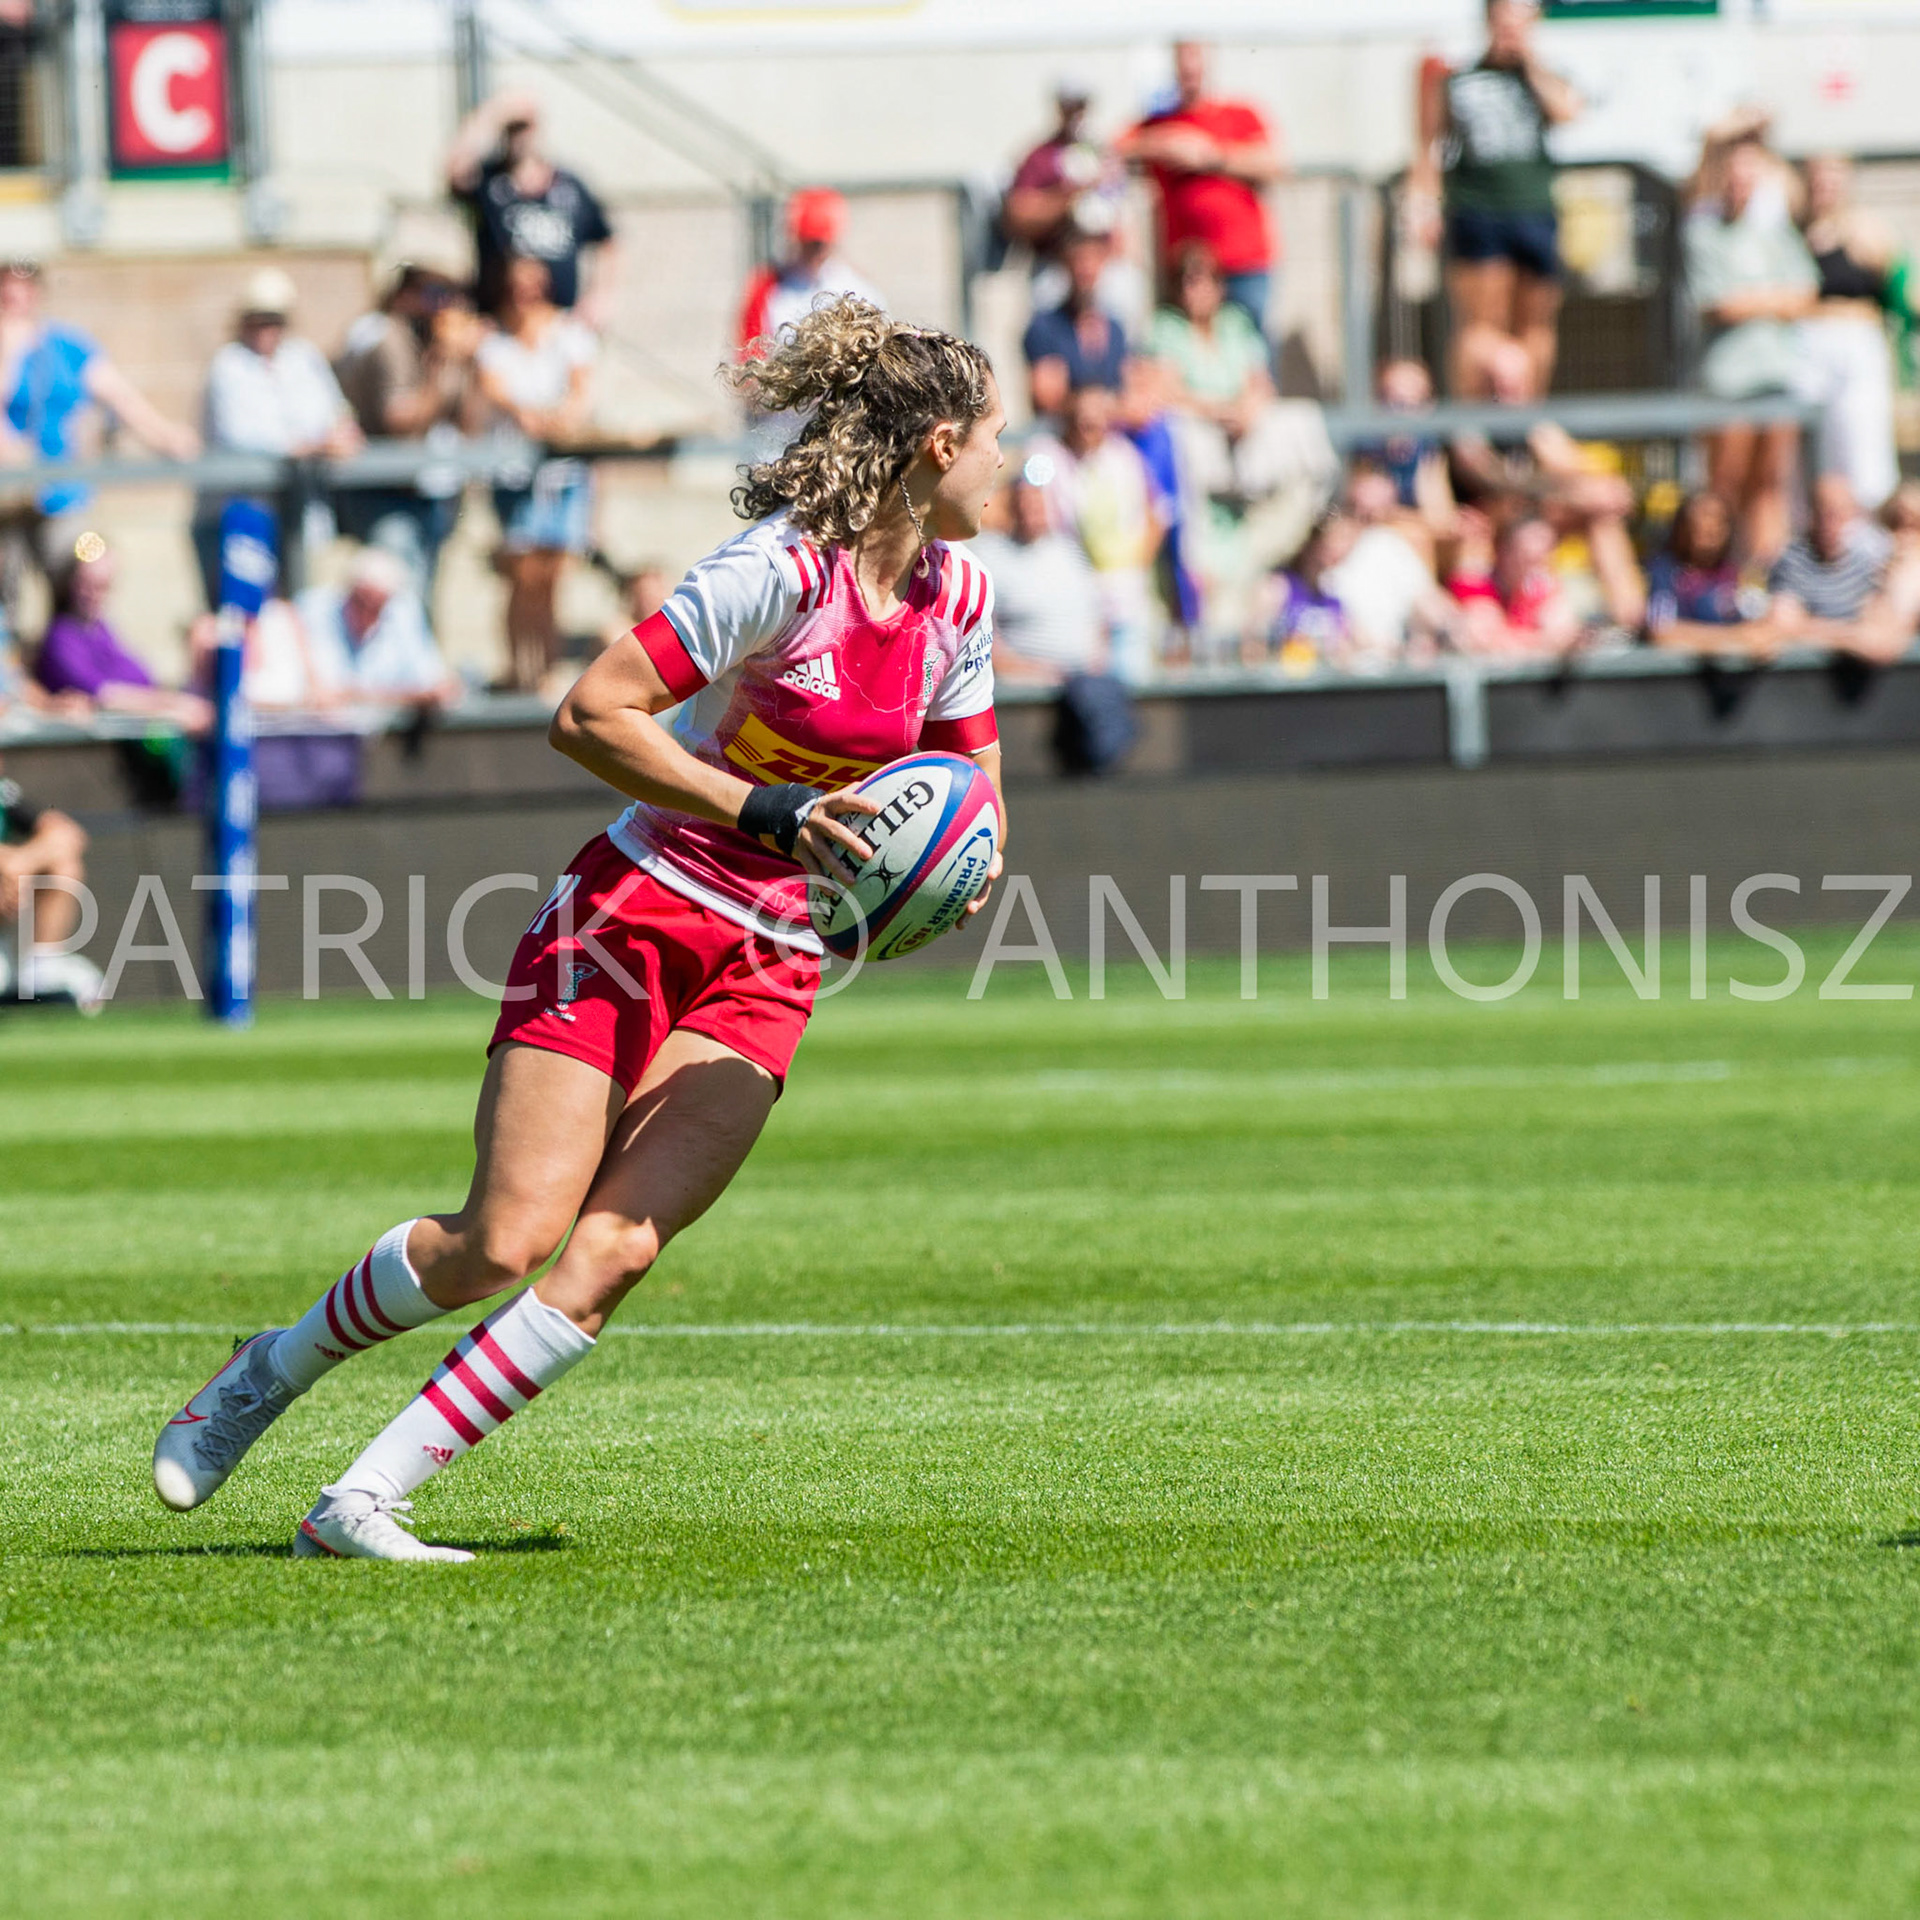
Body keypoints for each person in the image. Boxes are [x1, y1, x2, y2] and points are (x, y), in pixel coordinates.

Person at [151, 296, 1009, 1561]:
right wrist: (767, 808)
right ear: (940, 444)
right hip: (637, 909)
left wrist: (958, 880)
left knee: (614, 1253)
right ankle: (263, 1370)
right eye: (1002, 439)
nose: (1014, 465)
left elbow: (973, 794)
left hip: (774, 959)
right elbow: (592, 713)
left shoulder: (962, 601)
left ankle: (360, 1504)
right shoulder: (783, 572)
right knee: (501, 1237)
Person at [0, 257, 199, 630]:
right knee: (6, 598)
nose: (15, 302)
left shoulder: (66, 346)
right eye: (7, 294)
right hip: (7, 505)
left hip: (64, 499)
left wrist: (165, 435)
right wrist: (8, 351)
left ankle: (75, 664)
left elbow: (120, 397)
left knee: (90, 563)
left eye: (22, 292)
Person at [1410, 0, 1581, 402]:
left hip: (1535, 210)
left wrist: (1529, 65)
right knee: (1481, 325)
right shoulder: (1459, 79)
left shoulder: (1543, 78)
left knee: (1535, 327)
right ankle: (1474, 432)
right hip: (1477, 211)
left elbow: (1568, 112)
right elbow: (1428, 148)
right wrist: (1423, 206)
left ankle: (1527, 424)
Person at [1685, 133, 1819, 567]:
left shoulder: (1773, 230)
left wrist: (1755, 300)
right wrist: (1775, 299)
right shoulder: (1702, 231)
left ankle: (1766, 571)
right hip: (1729, 379)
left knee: (1771, 482)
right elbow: (1719, 304)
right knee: (1726, 482)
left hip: (1775, 372)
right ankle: (1723, 571)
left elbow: (1806, 292)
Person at [194, 268, 363, 608]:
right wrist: (314, 445)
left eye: (274, 320)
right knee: (241, 614)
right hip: (239, 515)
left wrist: (343, 433)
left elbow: (336, 413)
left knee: (299, 610)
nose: (266, 329)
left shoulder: (303, 359)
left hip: (297, 510)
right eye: (258, 319)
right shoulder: (228, 365)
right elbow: (240, 436)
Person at [478, 253, 597, 692]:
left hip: (561, 472)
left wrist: (553, 419)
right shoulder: (495, 341)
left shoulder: (567, 335)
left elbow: (580, 393)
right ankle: (517, 667)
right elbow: (495, 391)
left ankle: (543, 668)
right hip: (515, 472)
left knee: (550, 576)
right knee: (521, 575)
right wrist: (536, 416)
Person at [333, 264, 487, 596]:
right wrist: (439, 369)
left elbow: (469, 426)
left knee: (424, 596)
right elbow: (400, 421)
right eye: (434, 295)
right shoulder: (388, 338)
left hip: (431, 494)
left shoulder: (440, 345)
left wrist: (473, 364)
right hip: (384, 493)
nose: (443, 306)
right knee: (399, 597)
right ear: (405, 297)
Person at [1116, 41, 1285, 332]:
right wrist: (1166, 144)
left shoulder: (1239, 113)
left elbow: (1273, 164)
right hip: (1188, 272)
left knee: (1251, 356)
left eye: (1195, 55)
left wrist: (1211, 156)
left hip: (1243, 265)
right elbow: (1115, 147)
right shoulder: (1161, 123)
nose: (1189, 66)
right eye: (1183, 56)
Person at [448, 91, 620, 330]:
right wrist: (492, 113)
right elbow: (454, 169)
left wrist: (599, 295)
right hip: (502, 324)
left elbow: (607, 240)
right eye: (512, 129)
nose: (519, 137)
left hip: (559, 322)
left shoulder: (569, 186)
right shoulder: (488, 182)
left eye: (524, 128)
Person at [1028, 382, 1165, 683]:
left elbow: (1158, 514)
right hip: (1073, 602)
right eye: (1082, 418)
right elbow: (1028, 499)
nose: (1089, 426)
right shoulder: (1045, 456)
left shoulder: (1125, 457)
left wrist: (1136, 566)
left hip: (1125, 601)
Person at [1797, 153, 1900, 513]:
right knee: (1815, 447)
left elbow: (1894, 289)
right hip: (1807, 343)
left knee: (1864, 443)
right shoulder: (1797, 230)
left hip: (1855, 342)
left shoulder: (1867, 230)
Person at [35, 531, 212, 732]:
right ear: (71, 584)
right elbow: (103, 695)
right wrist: (174, 708)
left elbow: (141, 678)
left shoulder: (102, 631)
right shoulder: (61, 639)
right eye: (86, 584)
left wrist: (177, 703)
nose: (94, 594)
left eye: (103, 586)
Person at [1002, 77, 1133, 319]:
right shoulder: (1039, 157)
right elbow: (1018, 214)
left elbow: (1119, 210)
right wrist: (1070, 194)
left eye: (1080, 105)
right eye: (1070, 105)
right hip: (1055, 269)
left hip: (1103, 269)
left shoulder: (1104, 152)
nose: (1076, 113)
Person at [970, 467, 1104, 684]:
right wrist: (1036, 672)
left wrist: (1095, 661)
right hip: (1026, 679)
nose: (1030, 512)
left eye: (1037, 504)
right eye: (1024, 504)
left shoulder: (1069, 551)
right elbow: (981, 637)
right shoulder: (991, 554)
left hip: (1085, 674)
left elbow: (1098, 614)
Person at [290, 547, 460, 711]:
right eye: (361, 602)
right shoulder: (313, 610)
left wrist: (358, 695)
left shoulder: (403, 610)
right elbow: (326, 692)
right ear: (348, 590)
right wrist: (409, 696)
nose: (367, 614)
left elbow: (437, 686)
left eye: (377, 606)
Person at [1767, 472, 1904, 663]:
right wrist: (1849, 639)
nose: (1831, 521)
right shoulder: (1791, 560)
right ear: (1811, 513)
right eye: (1824, 511)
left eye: (1840, 512)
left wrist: (1816, 630)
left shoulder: (1868, 559)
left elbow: (1880, 641)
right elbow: (1784, 624)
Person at [0, 756, 101, 1009]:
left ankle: (41, 965)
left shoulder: (4, 792)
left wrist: (18, 863)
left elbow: (68, 835)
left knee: (62, 864)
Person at [736, 189, 887, 357]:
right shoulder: (767, 288)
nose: (815, 251)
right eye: (808, 243)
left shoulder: (859, 289)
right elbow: (749, 354)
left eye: (820, 244)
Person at [1022, 222, 1131, 420]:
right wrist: (1094, 405)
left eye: (1094, 258)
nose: (1087, 269)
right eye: (1080, 259)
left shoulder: (1115, 328)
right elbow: (1047, 397)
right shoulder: (1045, 326)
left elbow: (1130, 396)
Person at [1645, 490, 1773, 658]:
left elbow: (1763, 630)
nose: (1710, 528)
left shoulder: (1736, 574)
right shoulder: (1664, 572)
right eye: (1700, 520)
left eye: (1719, 521)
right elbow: (1661, 632)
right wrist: (1730, 640)